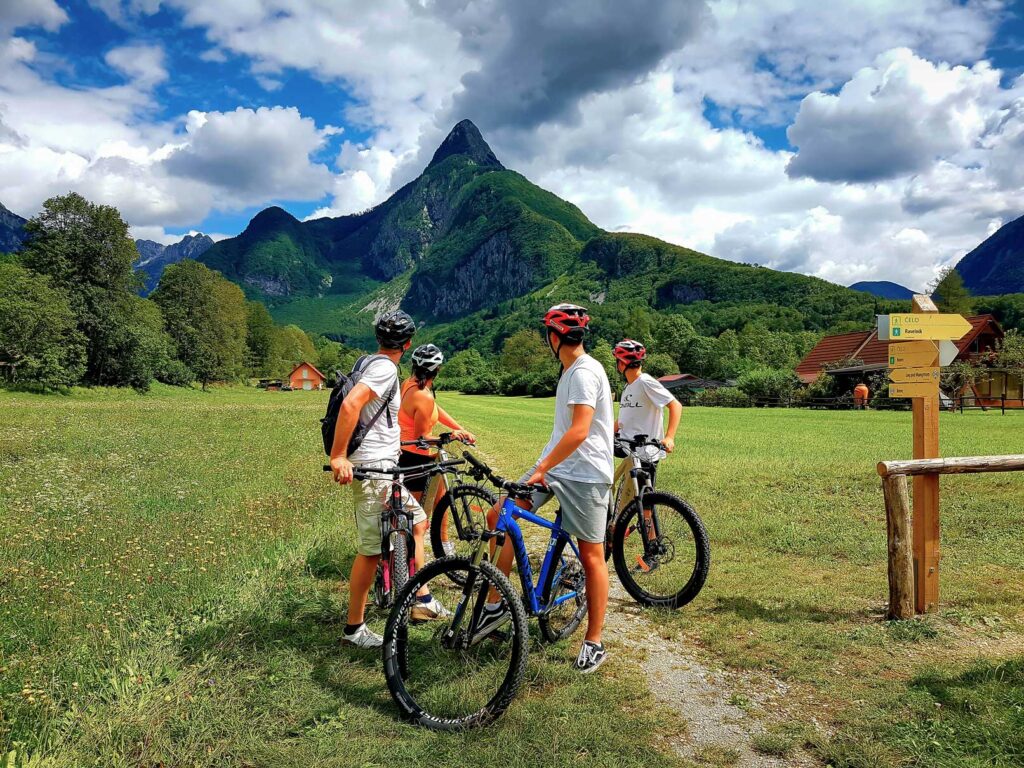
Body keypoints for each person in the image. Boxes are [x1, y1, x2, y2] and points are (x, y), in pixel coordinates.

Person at [480, 304, 615, 673]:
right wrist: (545, 467)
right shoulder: (570, 370)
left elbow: (580, 430)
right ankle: (495, 605)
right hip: (556, 468)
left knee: (591, 555)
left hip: (585, 474)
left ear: (553, 337)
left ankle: (594, 641)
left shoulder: (584, 372)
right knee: (499, 515)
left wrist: (542, 468)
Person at [328, 310, 440, 648]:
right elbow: (351, 405)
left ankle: (420, 596)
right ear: (408, 343)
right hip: (373, 468)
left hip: (384, 467)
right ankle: (354, 629)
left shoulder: (368, 362)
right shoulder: (385, 368)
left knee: (418, 521)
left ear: (379, 338)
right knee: (371, 551)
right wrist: (338, 455)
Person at [398, 343, 476, 614]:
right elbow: (422, 439)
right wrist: (450, 436)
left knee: (426, 511)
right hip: (415, 460)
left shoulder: (412, 385)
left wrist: (459, 427)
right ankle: (417, 590)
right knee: (416, 524)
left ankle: (441, 543)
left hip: (415, 458)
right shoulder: (422, 395)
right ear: (437, 369)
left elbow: (435, 409)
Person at [612, 339, 682, 509]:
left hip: (645, 451)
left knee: (645, 502)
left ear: (622, 364)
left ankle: (648, 528)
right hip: (627, 447)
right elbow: (623, 420)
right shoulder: (628, 387)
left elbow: (675, 405)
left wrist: (669, 437)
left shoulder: (645, 382)